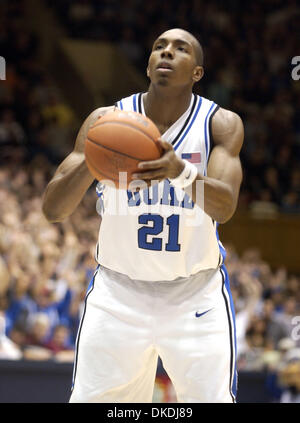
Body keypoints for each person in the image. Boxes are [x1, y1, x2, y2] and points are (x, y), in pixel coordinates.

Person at [42, 28, 244, 403]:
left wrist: (178, 171)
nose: (166, 52)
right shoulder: (106, 119)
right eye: (158, 47)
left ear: (197, 72)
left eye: (179, 49)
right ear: (149, 64)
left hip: (194, 296)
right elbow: (54, 209)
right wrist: (95, 156)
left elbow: (225, 207)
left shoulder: (220, 124)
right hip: (118, 294)